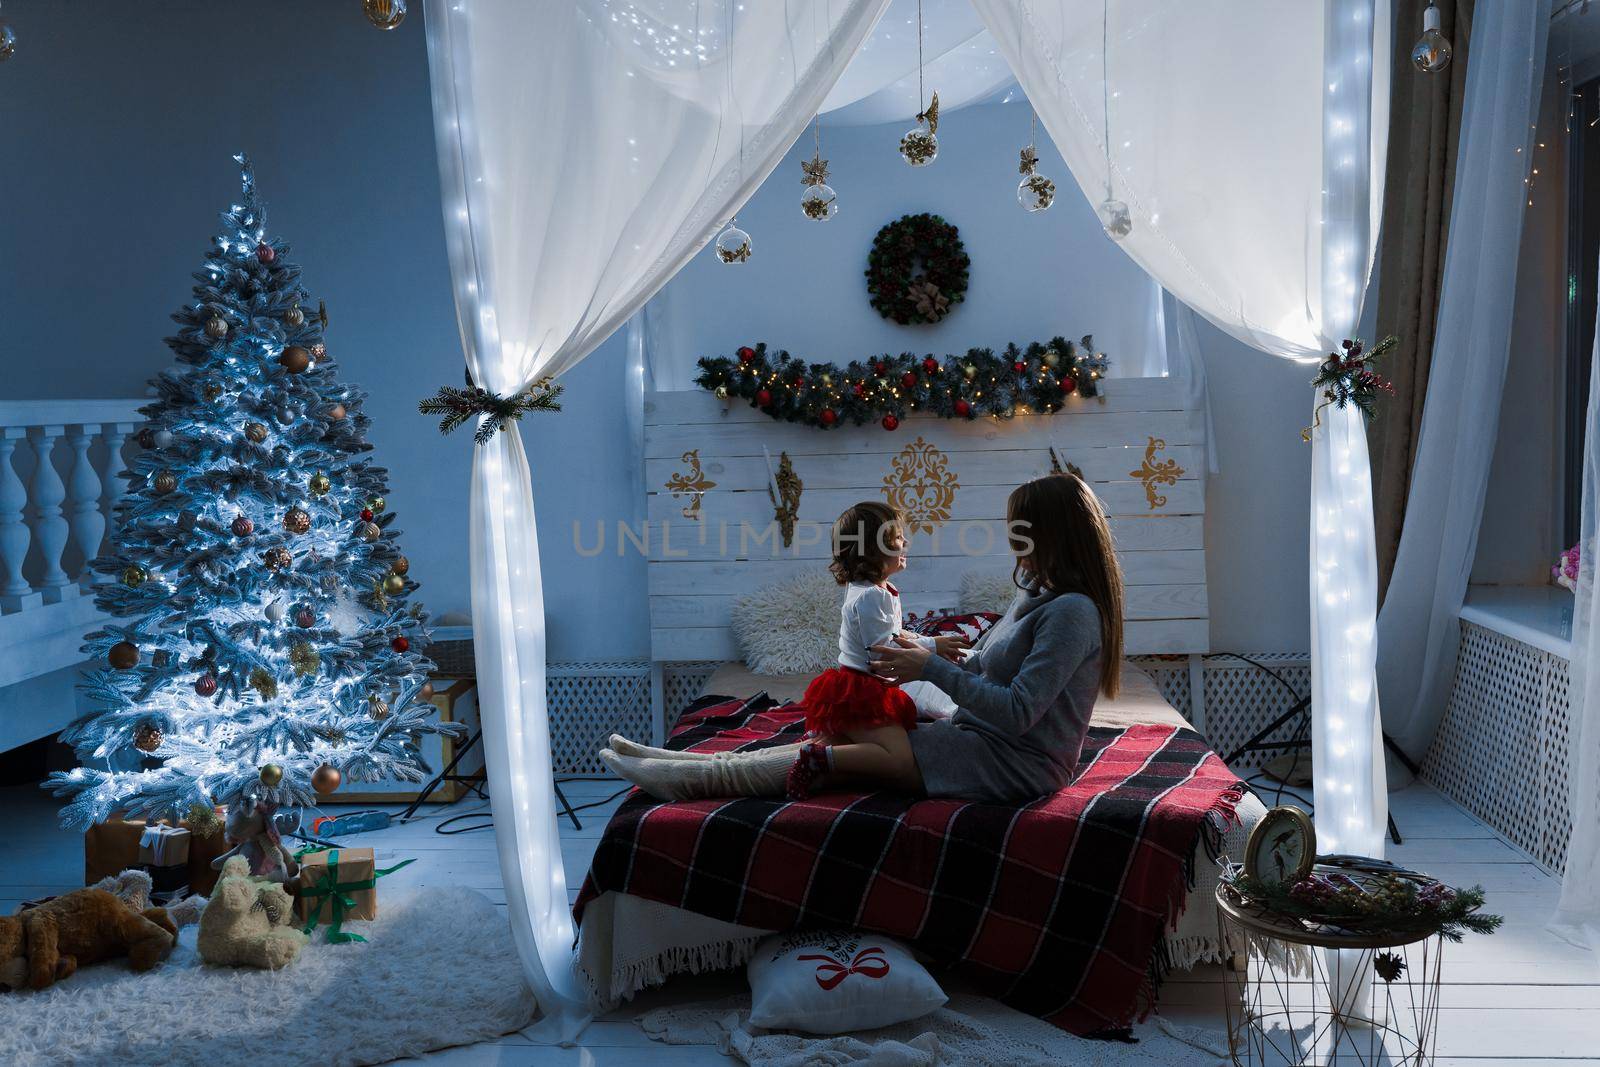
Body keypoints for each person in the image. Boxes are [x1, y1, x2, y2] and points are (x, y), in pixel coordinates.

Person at [600, 472, 1124, 804]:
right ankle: (688, 765)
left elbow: (1017, 711)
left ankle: (690, 781)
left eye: (1022, 533)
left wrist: (930, 668)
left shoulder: (1073, 613)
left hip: (1014, 765)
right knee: (842, 745)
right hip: (981, 739)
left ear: (1053, 534)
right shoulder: (1037, 592)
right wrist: (933, 655)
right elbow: (986, 671)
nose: (1017, 546)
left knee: (832, 761)